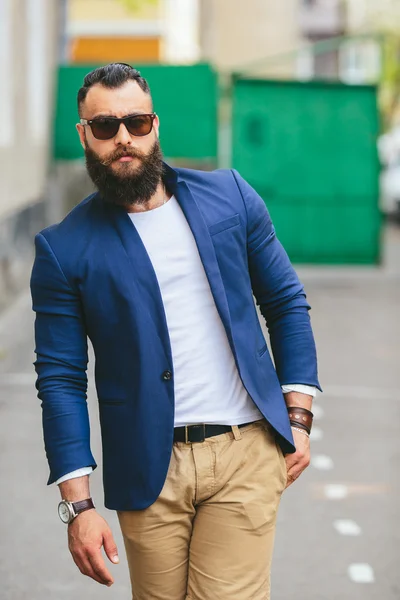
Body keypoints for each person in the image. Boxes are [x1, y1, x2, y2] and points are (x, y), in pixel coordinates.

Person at [31, 63, 321, 600]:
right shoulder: (63, 248)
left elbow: (285, 303)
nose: (123, 138)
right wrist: (79, 505)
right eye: (105, 127)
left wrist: (298, 416)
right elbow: (61, 379)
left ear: (156, 125)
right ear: (84, 136)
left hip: (245, 450)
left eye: (137, 123)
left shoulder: (229, 197)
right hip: (147, 467)